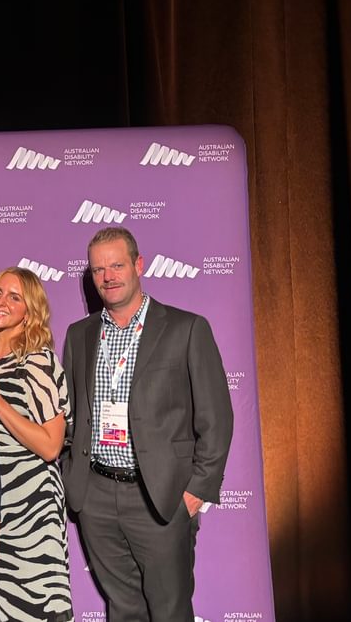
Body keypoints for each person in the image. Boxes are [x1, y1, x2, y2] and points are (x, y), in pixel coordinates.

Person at [62, 227, 233, 621]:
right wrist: (75, 479)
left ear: (138, 265)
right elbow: (71, 415)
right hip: (97, 497)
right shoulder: (79, 334)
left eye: (117, 265)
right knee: (123, 609)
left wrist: (196, 491)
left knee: (170, 610)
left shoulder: (186, 329)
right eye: (98, 269)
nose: (108, 277)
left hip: (160, 497)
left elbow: (217, 418)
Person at [0, 267, 73, 622]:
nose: (2, 302)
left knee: (35, 607)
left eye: (15, 297)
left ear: (30, 311)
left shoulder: (37, 362)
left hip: (31, 511)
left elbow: (51, 446)